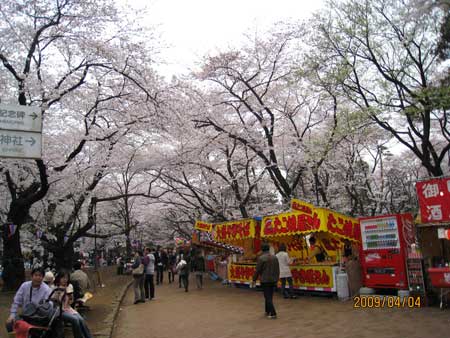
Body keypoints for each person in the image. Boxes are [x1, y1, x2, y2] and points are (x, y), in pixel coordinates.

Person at [5, 267, 52, 332]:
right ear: (31, 276)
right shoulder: (24, 286)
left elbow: (49, 304)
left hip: (38, 317)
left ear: (43, 278)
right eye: (36, 275)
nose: (38, 277)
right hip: (26, 315)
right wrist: (12, 315)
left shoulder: (46, 289)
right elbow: (16, 301)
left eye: (40, 276)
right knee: (9, 324)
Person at [53, 270, 93, 338]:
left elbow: (71, 302)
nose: (65, 280)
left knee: (81, 319)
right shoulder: (54, 288)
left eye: (66, 278)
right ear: (59, 278)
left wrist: (70, 297)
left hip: (68, 308)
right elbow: (54, 302)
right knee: (75, 320)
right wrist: (59, 293)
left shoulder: (69, 286)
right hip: (59, 310)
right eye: (63, 278)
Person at [251, 243, 280, 319]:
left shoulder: (261, 258)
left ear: (262, 250)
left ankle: (273, 313)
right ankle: (267, 311)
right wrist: (277, 278)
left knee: (267, 296)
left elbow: (257, 270)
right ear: (269, 249)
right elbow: (277, 269)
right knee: (269, 296)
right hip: (273, 279)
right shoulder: (275, 257)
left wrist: (254, 279)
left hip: (265, 280)